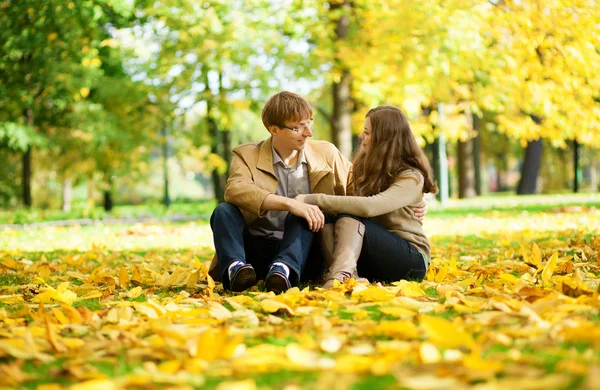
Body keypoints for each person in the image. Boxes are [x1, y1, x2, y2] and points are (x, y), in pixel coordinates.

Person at [209, 92, 427, 294]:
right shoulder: (247, 154)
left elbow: (361, 191)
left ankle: (284, 270)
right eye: (298, 127)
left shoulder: (326, 153)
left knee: (305, 214)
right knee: (223, 211)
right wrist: (289, 203)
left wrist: (413, 200)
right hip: (257, 244)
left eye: (308, 124)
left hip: (303, 251)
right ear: (274, 129)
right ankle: (235, 269)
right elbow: (235, 189)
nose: (308, 133)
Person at [296, 106, 437, 288]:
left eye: (367, 132)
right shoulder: (364, 168)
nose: (362, 136)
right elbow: (351, 205)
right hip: (372, 255)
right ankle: (345, 276)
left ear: (384, 138)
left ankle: (338, 278)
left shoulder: (411, 176)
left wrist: (311, 199)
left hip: (410, 259)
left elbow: (369, 207)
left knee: (351, 215)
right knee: (329, 217)